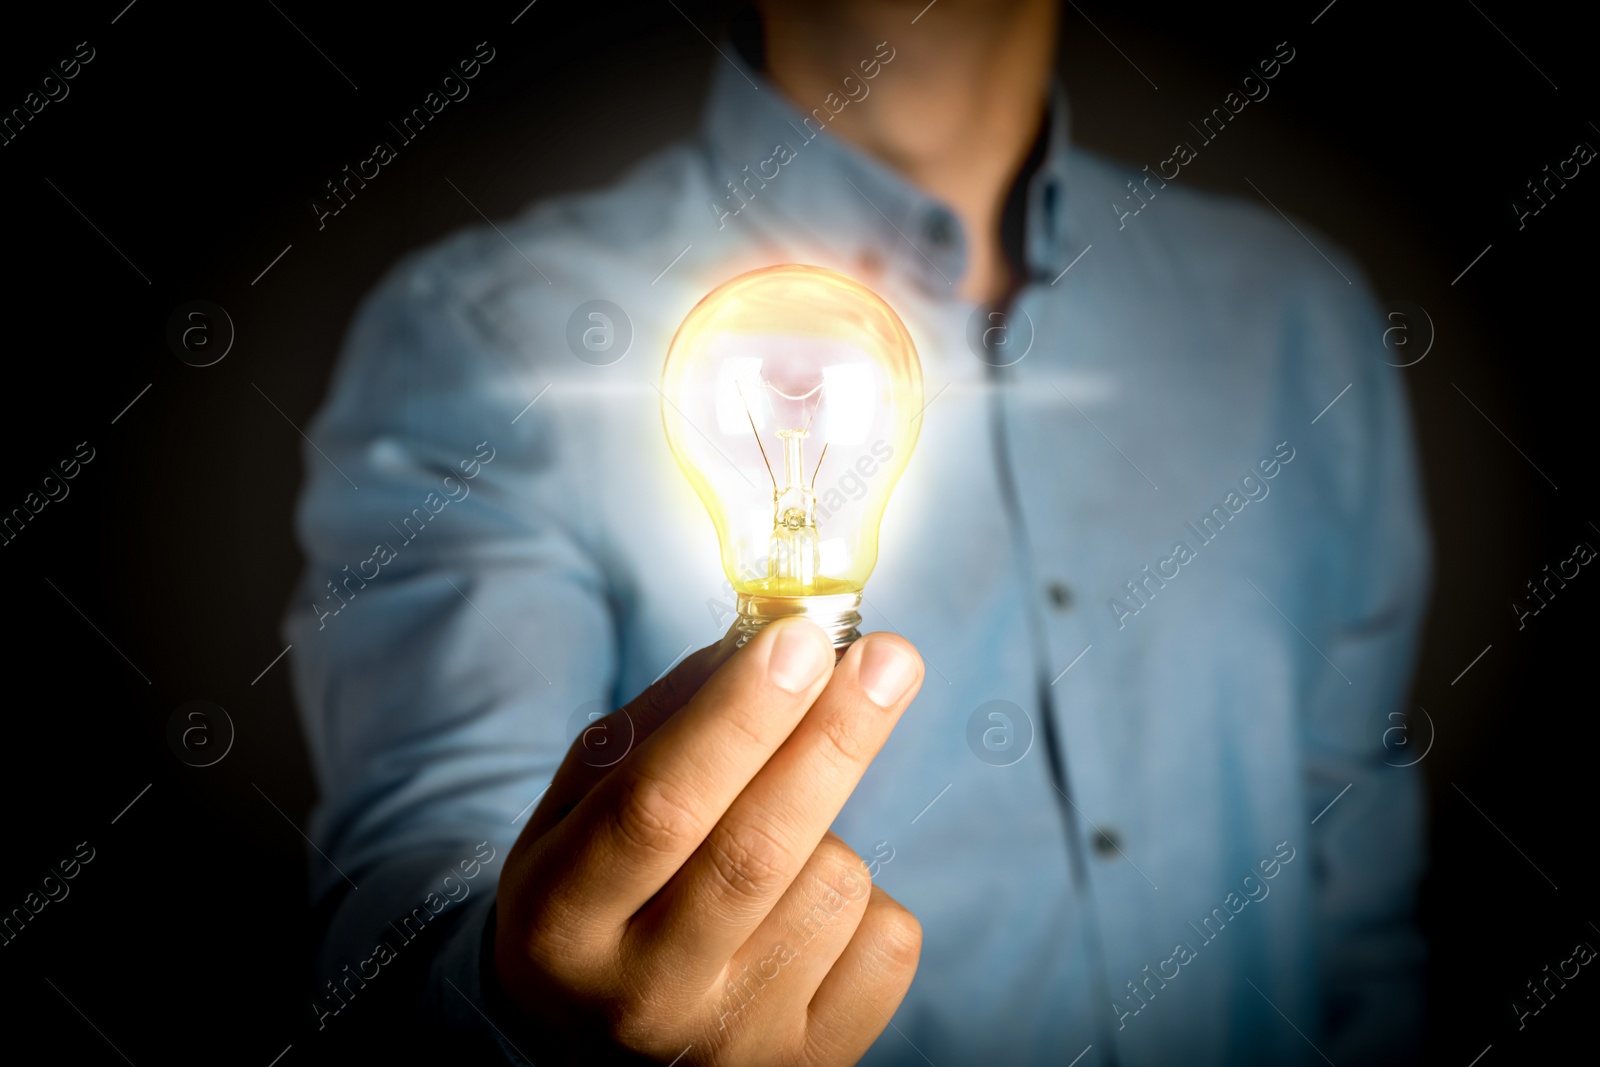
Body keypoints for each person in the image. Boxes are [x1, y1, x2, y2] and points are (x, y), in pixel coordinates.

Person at [286, 1, 1431, 1063]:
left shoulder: (1293, 318)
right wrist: (522, 996)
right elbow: (421, 880)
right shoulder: (493, 333)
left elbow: (1357, 892)